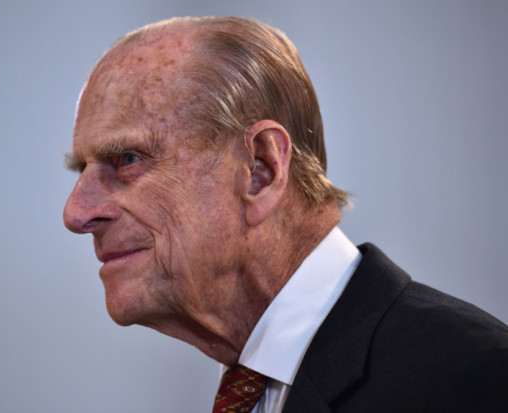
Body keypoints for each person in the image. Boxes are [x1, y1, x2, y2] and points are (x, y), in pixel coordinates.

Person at [63, 16, 508, 412]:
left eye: (126, 159)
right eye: (82, 169)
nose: (75, 212)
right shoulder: (250, 386)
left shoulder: (473, 379)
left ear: (261, 170)